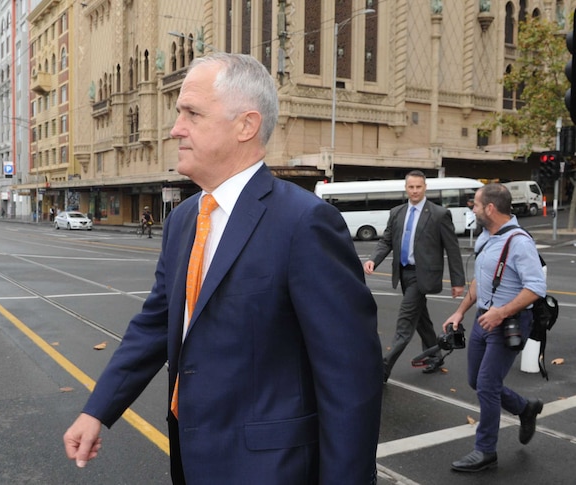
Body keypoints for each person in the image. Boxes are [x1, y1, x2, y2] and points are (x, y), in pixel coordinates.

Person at [63, 53, 382, 484]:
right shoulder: (182, 219)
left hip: (272, 469)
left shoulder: (304, 223)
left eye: (191, 113)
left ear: (245, 125)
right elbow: (156, 325)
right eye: (179, 113)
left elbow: (350, 379)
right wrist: (97, 409)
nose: (176, 128)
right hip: (193, 461)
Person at [443, 183, 545, 473]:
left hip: (508, 322)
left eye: (475, 204)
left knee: (487, 386)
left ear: (490, 208)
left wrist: (501, 312)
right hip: (482, 318)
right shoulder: (486, 237)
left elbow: (536, 288)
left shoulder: (519, 242)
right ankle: (525, 407)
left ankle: (485, 451)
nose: (471, 209)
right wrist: (460, 312)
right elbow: (480, 280)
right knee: (477, 381)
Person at [364, 170, 465, 382]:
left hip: (423, 277)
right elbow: (386, 241)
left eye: (419, 186)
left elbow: (452, 249)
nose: (415, 190)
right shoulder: (397, 212)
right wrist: (374, 259)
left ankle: (383, 369)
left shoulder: (438, 214)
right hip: (404, 274)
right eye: (411, 187)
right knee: (421, 319)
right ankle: (434, 356)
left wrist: (458, 282)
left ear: (425, 187)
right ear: (406, 188)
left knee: (405, 321)